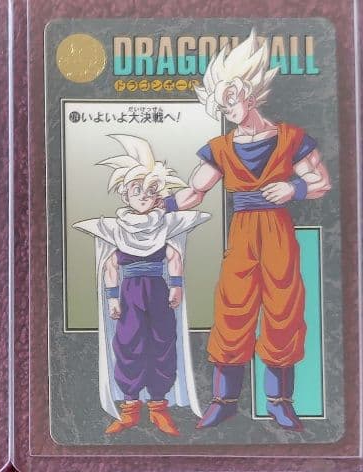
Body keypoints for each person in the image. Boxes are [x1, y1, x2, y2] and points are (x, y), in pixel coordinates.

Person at [166, 30, 332, 431]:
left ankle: (280, 402)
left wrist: (293, 188)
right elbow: (194, 191)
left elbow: (321, 182)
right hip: (242, 235)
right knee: (232, 309)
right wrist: (161, 205)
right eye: (220, 104)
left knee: (283, 310)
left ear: (249, 94)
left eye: (230, 99)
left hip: (278, 233)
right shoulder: (221, 147)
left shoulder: (291, 139)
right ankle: (224, 401)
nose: (227, 109)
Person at [73, 135, 208, 437]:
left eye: (150, 190)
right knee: (128, 345)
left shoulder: (166, 223)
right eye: (137, 190)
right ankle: (130, 410)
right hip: (129, 293)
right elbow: (110, 265)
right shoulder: (115, 227)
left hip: (158, 291)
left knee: (162, 343)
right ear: (125, 194)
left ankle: (159, 408)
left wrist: (176, 286)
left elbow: (173, 255)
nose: (144, 196)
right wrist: (112, 298)